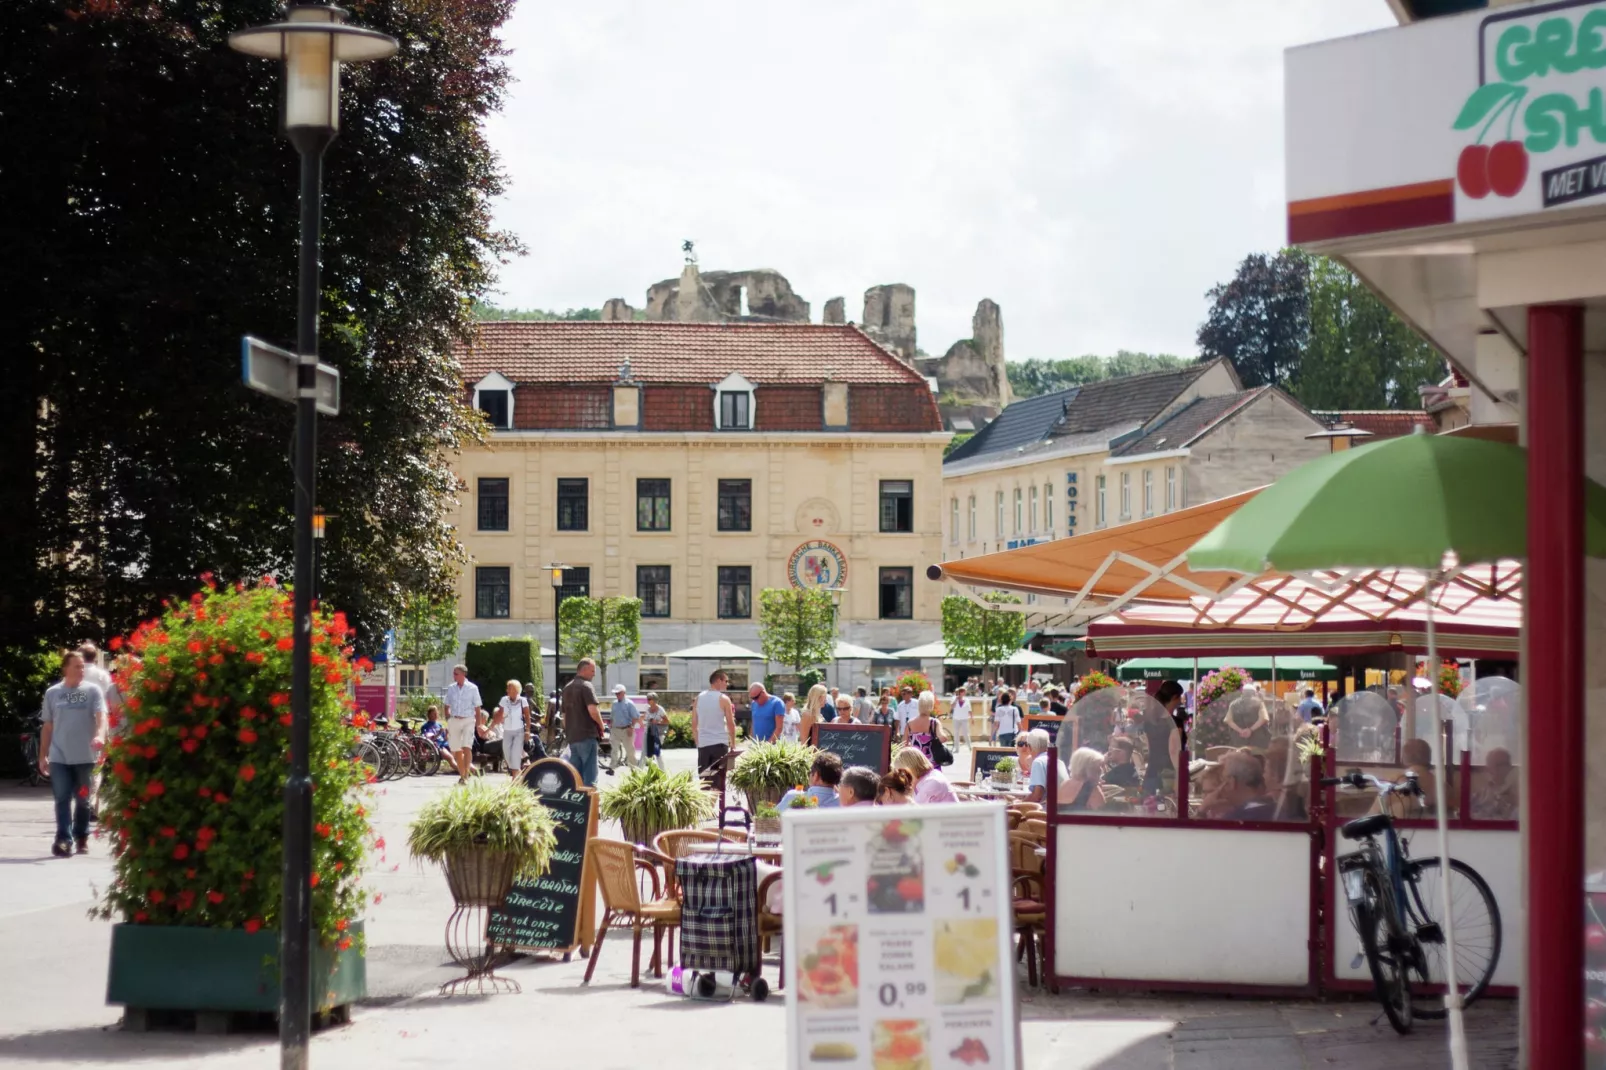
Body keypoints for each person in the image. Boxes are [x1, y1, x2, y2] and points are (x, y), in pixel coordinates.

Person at [39, 651, 108, 856]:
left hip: (85, 757)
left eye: (82, 666)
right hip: (59, 756)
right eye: (77, 666)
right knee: (61, 798)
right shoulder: (53, 693)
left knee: (83, 800)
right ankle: (63, 840)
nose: (81, 670)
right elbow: (48, 727)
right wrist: (42, 755)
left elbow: (101, 717)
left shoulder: (92, 691)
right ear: (65, 668)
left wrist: (99, 736)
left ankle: (81, 836)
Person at [561, 658, 607, 787]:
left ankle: (578, 804)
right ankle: (591, 805)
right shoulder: (586, 686)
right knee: (590, 775)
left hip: (573, 738)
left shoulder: (566, 688)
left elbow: (564, 716)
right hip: (587, 735)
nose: (594, 674)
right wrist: (602, 726)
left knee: (576, 775)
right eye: (592, 670)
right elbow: (593, 710)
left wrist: (569, 731)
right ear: (584, 669)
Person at [1141, 680, 1184, 797]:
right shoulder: (1175, 723)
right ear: (1174, 697)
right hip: (1168, 774)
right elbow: (1174, 751)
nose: (1181, 701)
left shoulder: (1148, 721)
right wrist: (1179, 778)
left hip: (1151, 772)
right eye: (1180, 697)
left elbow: (1149, 750)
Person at [444, 664, 485, 785]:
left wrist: (478, 725)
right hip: (455, 720)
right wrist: (448, 718)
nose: (454, 676)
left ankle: (466, 775)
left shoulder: (473, 688)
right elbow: (446, 704)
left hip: (468, 719)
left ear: (463, 674)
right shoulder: (451, 688)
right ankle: (462, 775)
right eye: (454, 673)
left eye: (456, 673)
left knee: (467, 747)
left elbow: (477, 707)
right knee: (456, 749)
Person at [694, 669, 738, 782]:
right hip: (719, 744)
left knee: (705, 780)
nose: (727, 684)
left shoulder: (699, 698)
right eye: (726, 681)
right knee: (717, 781)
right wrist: (733, 743)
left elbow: (694, 723)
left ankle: (707, 800)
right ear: (719, 680)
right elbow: (730, 723)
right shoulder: (723, 698)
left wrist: (698, 742)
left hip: (704, 745)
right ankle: (712, 800)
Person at [1217, 749, 1276, 820]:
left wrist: (1203, 810)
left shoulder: (1233, 819)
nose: (1219, 788)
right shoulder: (1279, 810)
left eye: (1222, 780)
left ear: (1232, 782)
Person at [1014, 728, 1066, 805]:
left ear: (1030, 747)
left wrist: (1019, 804)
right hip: (1061, 810)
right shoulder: (1059, 761)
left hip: (1046, 812)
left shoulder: (1038, 762)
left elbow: (1037, 796)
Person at [778, 752, 844, 809]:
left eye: (810, 772)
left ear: (815, 776)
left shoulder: (793, 797)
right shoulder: (845, 804)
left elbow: (772, 819)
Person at [893, 746, 958, 803]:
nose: (900, 777)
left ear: (911, 769)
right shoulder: (931, 775)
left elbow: (913, 812)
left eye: (901, 773)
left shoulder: (931, 783)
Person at [1471, 746, 1519, 820]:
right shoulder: (1484, 789)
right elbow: (1468, 810)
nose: (1499, 769)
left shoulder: (1516, 789)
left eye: (1504, 765)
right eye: (1493, 765)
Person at [904, 690, 948, 762]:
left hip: (915, 762)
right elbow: (944, 738)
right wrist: (933, 742)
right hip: (931, 762)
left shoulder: (910, 723)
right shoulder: (934, 722)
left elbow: (904, 744)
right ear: (931, 705)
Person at [607, 683, 640, 774]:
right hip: (615, 729)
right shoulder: (614, 703)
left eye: (618, 693)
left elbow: (636, 716)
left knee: (630, 751)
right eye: (616, 693)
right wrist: (611, 726)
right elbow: (612, 716)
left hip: (626, 729)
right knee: (614, 749)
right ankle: (612, 767)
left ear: (623, 693)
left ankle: (634, 769)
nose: (617, 695)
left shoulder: (629, 703)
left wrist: (631, 727)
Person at [498, 680, 530, 776]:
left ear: (516, 690)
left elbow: (527, 717)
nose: (507, 690)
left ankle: (515, 779)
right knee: (507, 754)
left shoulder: (522, 701)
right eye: (507, 688)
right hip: (507, 730)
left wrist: (527, 731)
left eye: (510, 688)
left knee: (515, 754)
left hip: (518, 731)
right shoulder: (504, 700)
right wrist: (490, 727)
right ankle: (518, 773)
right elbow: (499, 715)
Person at [642, 692, 670, 770]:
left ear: (654, 700)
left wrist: (657, 722)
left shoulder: (660, 709)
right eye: (647, 699)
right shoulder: (647, 708)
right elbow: (645, 718)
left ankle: (662, 771)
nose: (648, 700)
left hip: (658, 734)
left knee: (657, 752)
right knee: (644, 752)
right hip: (648, 732)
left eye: (649, 699)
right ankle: (639, 772)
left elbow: (667, 721)